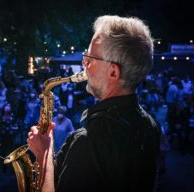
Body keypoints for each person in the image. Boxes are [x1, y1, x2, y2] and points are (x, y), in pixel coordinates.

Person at [27, 15, 160, 192]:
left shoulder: (89, 141)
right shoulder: (151, 125)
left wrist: (43, 155)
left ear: (113, 72)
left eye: (90, 59)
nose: (84, 64)